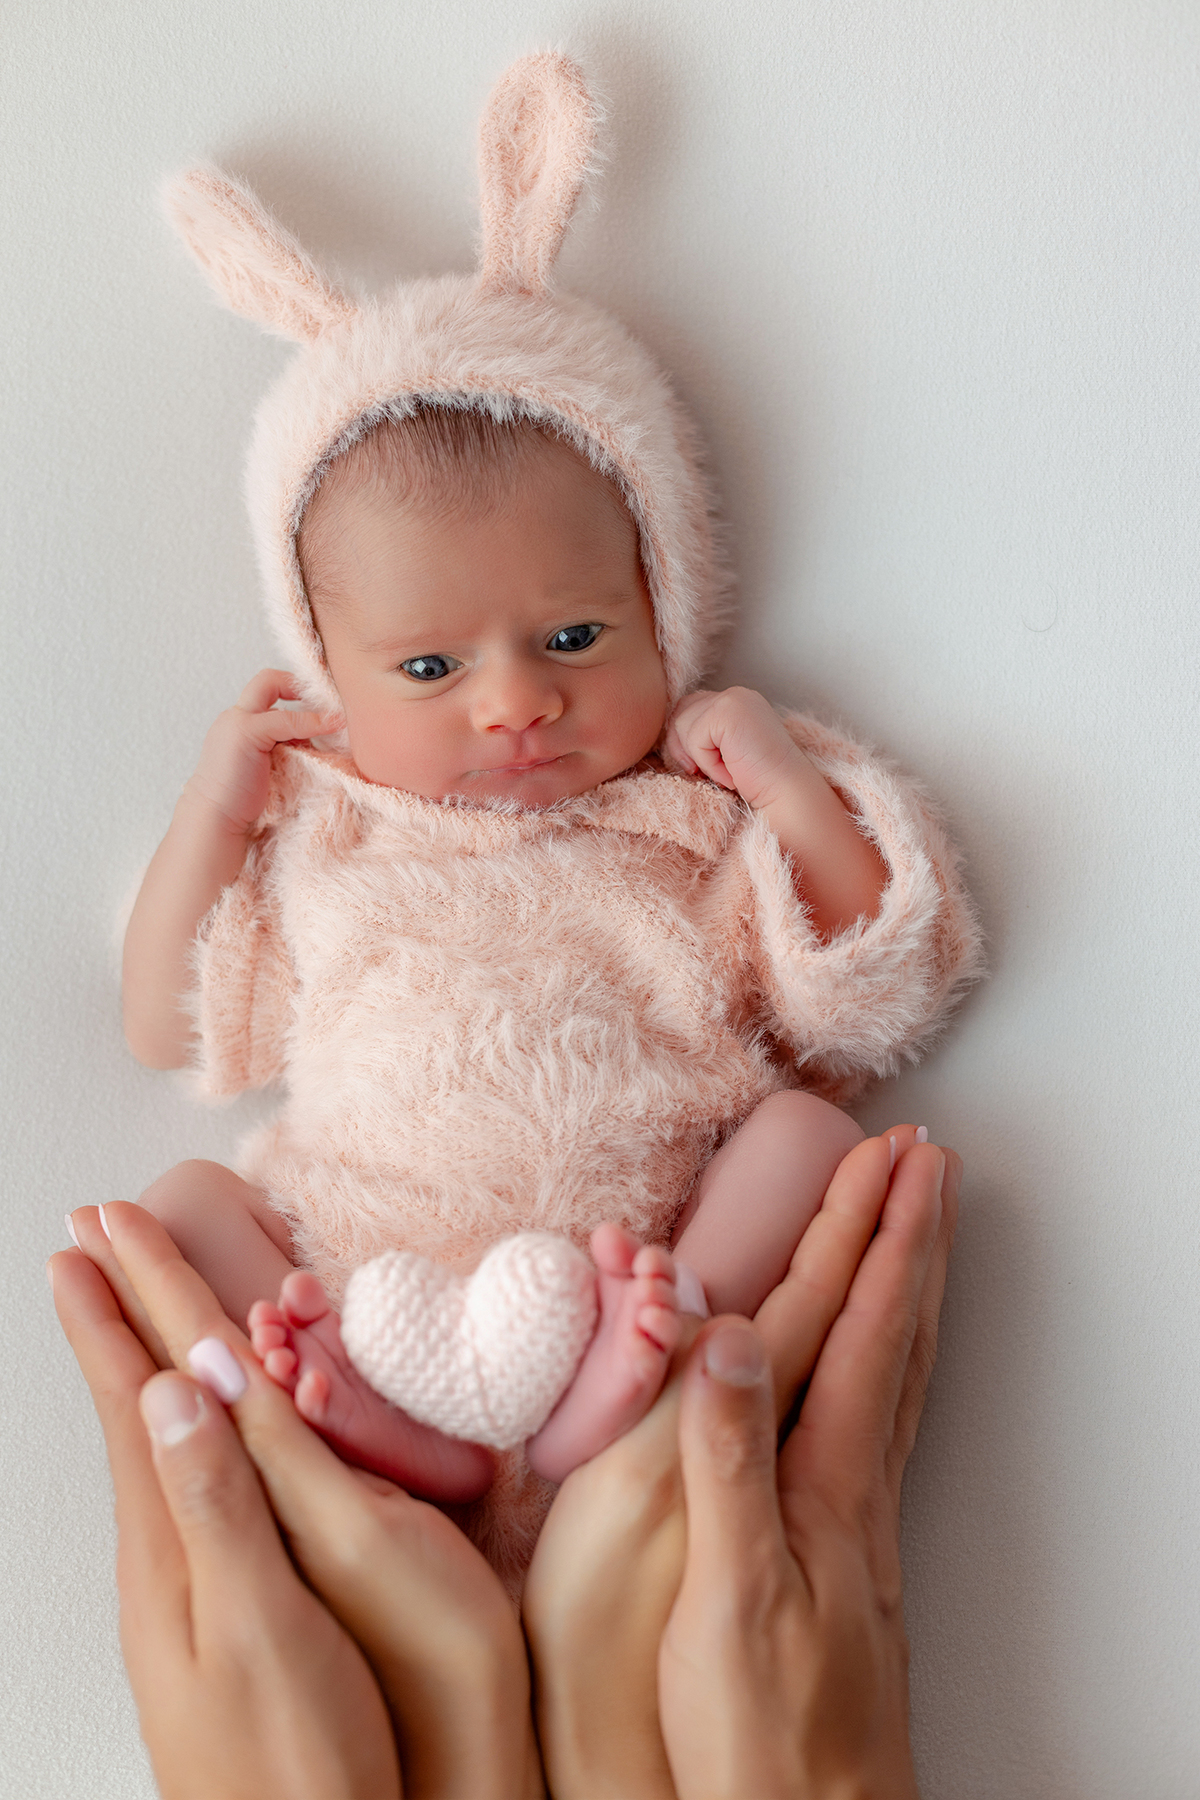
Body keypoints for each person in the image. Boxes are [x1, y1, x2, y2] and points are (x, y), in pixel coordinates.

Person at [118, 50, 982, 1578]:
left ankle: (622, 1376)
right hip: (364, 1257)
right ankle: (379, 1431)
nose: (511, 702)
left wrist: (780, 780)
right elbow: (165, 1027)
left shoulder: (685, 820)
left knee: (796, 1130)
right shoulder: (323, 834)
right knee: (181, 1206)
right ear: (329, 679)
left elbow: (872, 987)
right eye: (432, 666)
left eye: (574, 639)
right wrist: (215, 807)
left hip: (634, 1252)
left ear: (668, 604)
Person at [55, 1126, 957, 1797]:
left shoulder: (691, 873)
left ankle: (603, 1357)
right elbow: (176, 1008)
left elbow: (855, 959)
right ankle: (624, 1354)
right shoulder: (317, 874)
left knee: (809, 1137)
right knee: (183, 1210)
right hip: (442, 1287)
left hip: (537, 1282)